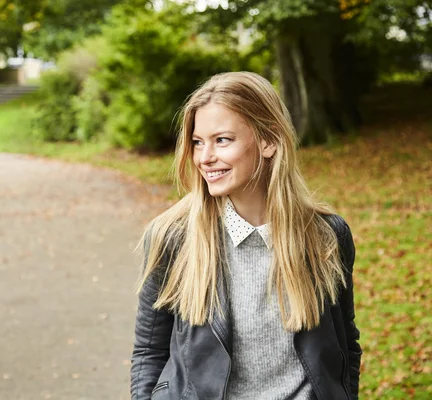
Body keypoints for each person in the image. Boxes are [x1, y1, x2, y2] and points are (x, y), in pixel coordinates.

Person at [130, 72, 361, 400]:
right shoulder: (173, 237)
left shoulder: (327, 236)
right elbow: (149, 353)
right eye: (198, 142)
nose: (205, 157)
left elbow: (345, 349)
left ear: (269, 141)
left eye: (222, 140)